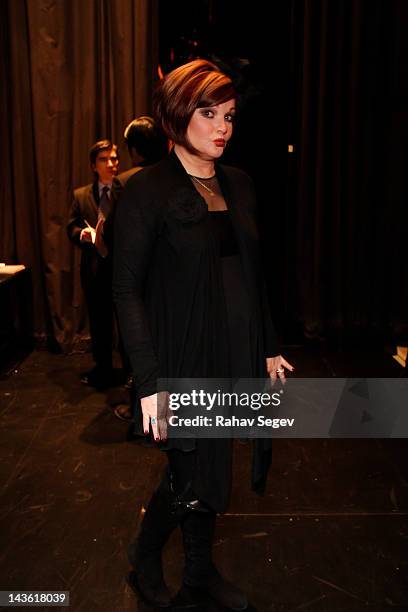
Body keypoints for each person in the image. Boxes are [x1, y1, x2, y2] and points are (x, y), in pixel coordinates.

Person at [113, 59, 294, 610]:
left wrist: (267, 346)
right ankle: (146, 556)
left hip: (233, 353)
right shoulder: (145, 191)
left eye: (230, 116)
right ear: (176, 116)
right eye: (208, 113)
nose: (223, 127)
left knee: (211, 469)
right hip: (182, 356)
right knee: (191, 469)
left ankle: (197, 572)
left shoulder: (239, 183)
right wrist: (148, 381)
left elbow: (252, 274)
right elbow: (126, 291)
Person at [67, 139, 120, 388]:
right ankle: (103, 369)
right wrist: (82, 235)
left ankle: (129, 371)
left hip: (121, 267)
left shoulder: (127, 190)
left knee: (126, 321)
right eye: (104, 159)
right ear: (93, 165)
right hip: (94, 268)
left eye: (114, 158)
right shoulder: (80, 195)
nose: (111, 163)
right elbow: (71, 227)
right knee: (99, 323)